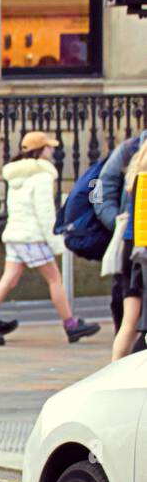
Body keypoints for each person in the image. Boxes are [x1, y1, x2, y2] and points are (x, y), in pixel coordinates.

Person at [0, 132, 99, 345]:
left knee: (8, 280)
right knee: (54, 279)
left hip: (16, 234)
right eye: (48, 147)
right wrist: (55, 240)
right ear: (41, 150)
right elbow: (44, 213)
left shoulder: (16, 176)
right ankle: (71, 325)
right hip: (32, 236)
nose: (52, 151)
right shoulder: (42, 176)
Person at [94, 129, 145, 338]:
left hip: (133, 240)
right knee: (124, 310)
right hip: (131, 239)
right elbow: (98, 191)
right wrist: (116, 222)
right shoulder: (128, 149)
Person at [111, 143, 147, 361]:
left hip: (131, 250)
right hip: (140, 253)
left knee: (130, 321)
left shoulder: (136, 177)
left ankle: (113, 372)